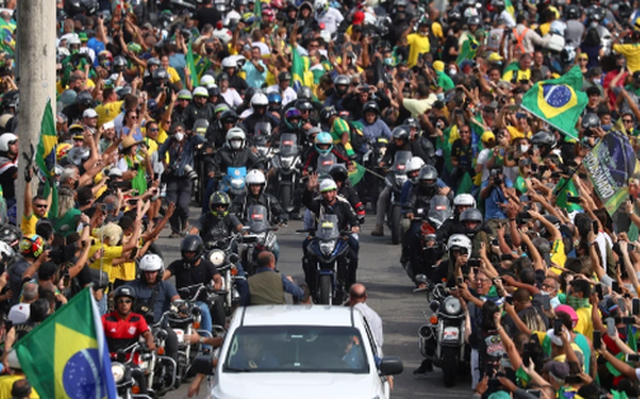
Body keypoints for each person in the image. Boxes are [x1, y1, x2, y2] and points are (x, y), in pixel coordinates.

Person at [302, 175, 360, 294]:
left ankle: (350, 284)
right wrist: (309, 190)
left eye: (331, 192)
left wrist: (355, 225)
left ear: (335, 191)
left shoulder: (343, 204)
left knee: (353, 253)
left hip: (340, 237)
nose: (328, 195)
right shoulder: (318, 203)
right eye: (325, 192)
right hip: (320, 237)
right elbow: (306, 202)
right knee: (306, 253)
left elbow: (353, 217)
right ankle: (310, 283)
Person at [163, 235, 224, 330]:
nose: (188, 255)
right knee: (165, 312)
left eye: (191, 253)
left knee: (203, 310)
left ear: (198, 252)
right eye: (186, 252)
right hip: (179, 302)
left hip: (199, 301)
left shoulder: (207, 265)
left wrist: (217, 284)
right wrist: (156, 280)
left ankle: (206, 341)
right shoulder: (178, 265)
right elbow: (164, 275)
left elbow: (217, 277)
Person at [101, 286, 155, 394]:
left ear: (132, 303)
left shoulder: (138, 319)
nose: (124, 304)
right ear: (116, 303)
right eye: (120, 301)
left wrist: (149, 341)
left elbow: (147, 333)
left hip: (130, 361)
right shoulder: (106, 319)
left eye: (127, 301)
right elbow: (95, 334)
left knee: (139, 376)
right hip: (109, 361)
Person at [158, 122, 205, 237]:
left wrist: (193, 134)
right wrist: (165, 165)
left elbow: (202, 141)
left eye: (180, 131)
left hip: (186, 177)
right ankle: (175, 229)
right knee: (171, 204)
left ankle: (185, 222)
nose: (177, 134)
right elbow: (161, 153)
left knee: (183, 204)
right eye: (175, 131)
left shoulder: (189, 141)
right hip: (173, 177)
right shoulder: (170, 141)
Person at [129, 254, 179, 360]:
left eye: (153, 272)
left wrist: (181, 305)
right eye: (147, 272)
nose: (150, 276)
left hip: (160, 326)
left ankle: (171, 368)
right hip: (136, 326)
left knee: (172, 336)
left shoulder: (166, 286)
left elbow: (176, 298)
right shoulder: (133, 286)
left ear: (160, 272)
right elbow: (119, 292)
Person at [349, 284, 383, 350]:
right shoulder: (375, 316)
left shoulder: (347, 315)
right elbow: (379, 343)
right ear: (365, 297)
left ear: (350, 298)